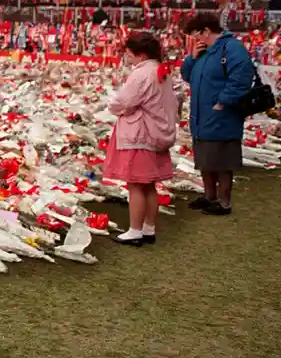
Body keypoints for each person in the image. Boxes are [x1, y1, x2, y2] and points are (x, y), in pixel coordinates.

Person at [104, 32, 179, 245]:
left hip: (140, 134)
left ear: (140, 54)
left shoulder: (141, 74)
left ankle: (134, 230)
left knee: (135, 184)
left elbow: (124, 102)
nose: (127, 58)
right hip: (157, 132)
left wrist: (112, 106)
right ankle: (148, 228)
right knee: (149, 185)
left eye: (128, 53)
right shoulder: (161, 70)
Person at [181, 15, 255, 216]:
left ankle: (224, 202)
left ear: (206, 31)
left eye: (196, 35)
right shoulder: (203, 51)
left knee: (222, 160)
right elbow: (186, 75)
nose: (195, 39)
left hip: (222, 114)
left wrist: (222, 102)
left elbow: (241, 78)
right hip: (200, 114)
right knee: (205, 159)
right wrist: (192, 58)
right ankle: (209, 197)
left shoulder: (232, 48)